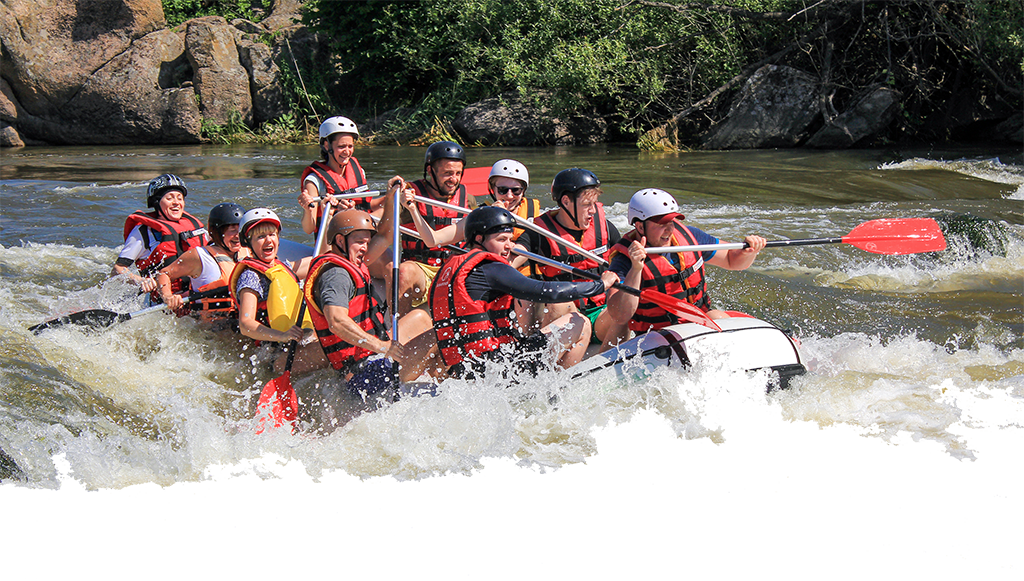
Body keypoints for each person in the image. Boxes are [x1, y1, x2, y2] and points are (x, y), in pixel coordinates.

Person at [428, 206, 618, 380]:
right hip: (500, 372)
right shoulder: (490, 268)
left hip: (465, 374)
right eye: (501, 240)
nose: (509, 246)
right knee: (580, 322)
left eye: (510, 240)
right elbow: (546, 292)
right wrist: (600, 285)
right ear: (479, 239)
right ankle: (560, 388)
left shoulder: (448, 271)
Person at [599, 188, 767, 347]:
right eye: (661, 224)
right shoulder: (624, 259)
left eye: (672, 221)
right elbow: (619, 315)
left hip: (698, 319)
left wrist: (750, 251)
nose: (669, 230)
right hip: (656, 334)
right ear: (640, 226)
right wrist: (636, 269)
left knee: (719, 318)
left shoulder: (689, 236)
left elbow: (731, 260)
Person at [304, 207, 434, 398]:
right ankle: (440, 385)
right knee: (441, 336)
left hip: (370, 360)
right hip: (363, 377)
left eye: (367, 242)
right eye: (359, 242)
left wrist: (392, 198)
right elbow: (336, 321)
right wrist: (382, 347)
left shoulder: (353, 263)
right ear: (340, 240)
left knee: (421, 317)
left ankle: (430, 378)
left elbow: (384, 237)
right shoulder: (336, 276)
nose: (365, 247)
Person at [512, 168, 620, 341]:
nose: (592, 211)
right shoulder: (540, 233)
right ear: (566, 201)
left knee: (624, 306)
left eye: (594, 204)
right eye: (586, 205)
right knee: (559, 303)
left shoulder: (605, 228)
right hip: (566, 316)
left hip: (601, 313)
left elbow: (625, 264)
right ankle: (543, 357)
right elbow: (514, 258)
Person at [390, 140, 477, 315]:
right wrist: (392, 198)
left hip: (454, 269)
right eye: (447, 173)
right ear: (430, 170)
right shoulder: (409, 195)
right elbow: (382, 224)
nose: (454, 179)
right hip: (422, 268)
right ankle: (399, 329)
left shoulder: (468, 200)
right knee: (405, 271)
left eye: (458, 173)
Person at [229, 208, 320, 374]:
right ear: (248, 243)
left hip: (298, 342)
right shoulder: (250, 277)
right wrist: (282, 335)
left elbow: (320, 259)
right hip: (275, 354)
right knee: (331, 350)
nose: (268, 240)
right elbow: (245, 324)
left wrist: (329, 215)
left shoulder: (283, 267)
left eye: (272, 234)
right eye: (260, 237)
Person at [113, 174, 209, 295]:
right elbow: (118, 269)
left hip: (196, 294)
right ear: (157, 202)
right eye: (169, 198)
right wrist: (141, 281)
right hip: (164, 299)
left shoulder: (195, 227)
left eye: (180, 198)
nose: (176, 203)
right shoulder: (144, 232)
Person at [154, 202, 247, 325]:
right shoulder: (199, 256)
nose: (237, 236)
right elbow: (163, 274)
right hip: (210, 330)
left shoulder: (249, 252)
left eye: (240, 230)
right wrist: (168, 297)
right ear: (217, 232)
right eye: (232, 230)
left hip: (241, 323)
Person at [297, 116, 378, 246]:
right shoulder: (314, 181)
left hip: (361, 237)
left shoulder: (359, 171)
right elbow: (308, 229)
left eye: (350, 146)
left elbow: (367, 205)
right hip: (333, 244)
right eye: (341, 146)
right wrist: (308, 209)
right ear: (327, 145)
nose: (347, 152)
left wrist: (390, 197)